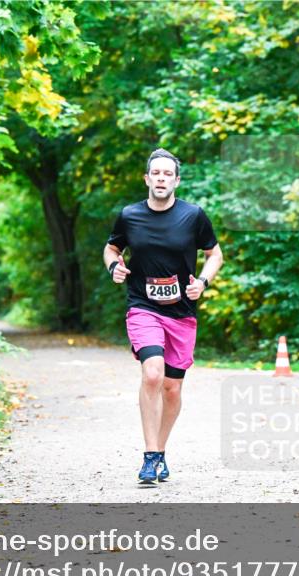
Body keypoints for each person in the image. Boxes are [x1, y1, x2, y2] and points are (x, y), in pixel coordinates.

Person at [103, 148, 223, 484]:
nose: (161, 178)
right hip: (143, 306)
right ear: (146, 178)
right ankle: (149, 455)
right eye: (155, 173)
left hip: (182, 313)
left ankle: (161, 451)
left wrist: (203, 281)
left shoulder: (193, 216)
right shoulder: (130, 216)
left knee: (172, 388)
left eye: (167, 174)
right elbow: (112, 247)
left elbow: (215, 254)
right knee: (152, 374)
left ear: (176, 181)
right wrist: (114, 265)